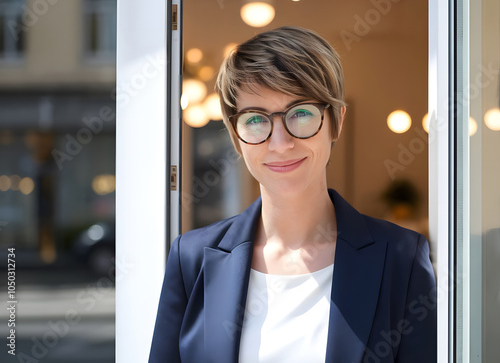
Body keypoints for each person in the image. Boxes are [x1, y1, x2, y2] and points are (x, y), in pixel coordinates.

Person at [149, 26, 437, 363]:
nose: (280, 143)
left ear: (336, 121)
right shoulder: (192, 258)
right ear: (235, 134)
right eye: (256, 119)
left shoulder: (400, 258)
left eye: (300, 114)